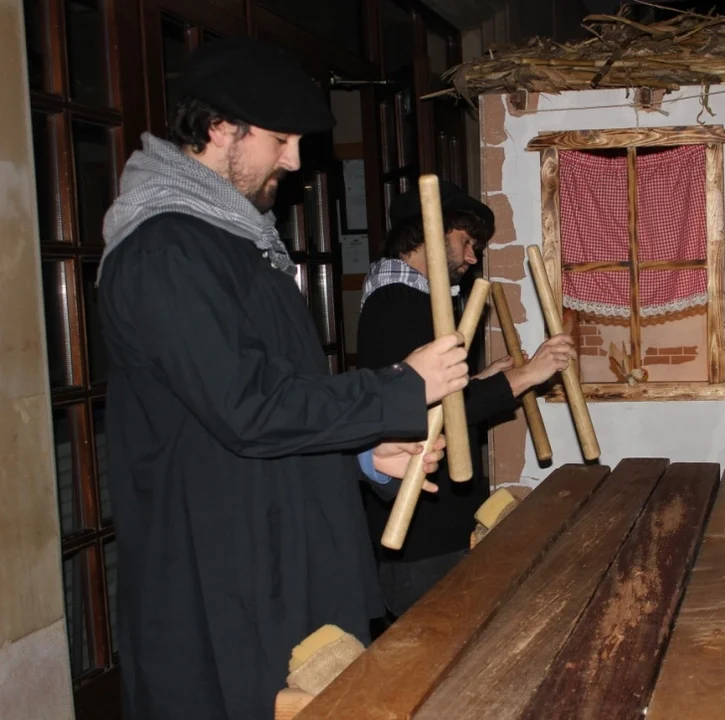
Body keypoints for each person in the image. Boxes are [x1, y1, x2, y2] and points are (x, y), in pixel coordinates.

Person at [97, 37, 469, 720]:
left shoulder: (236, 240)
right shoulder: (164, 250)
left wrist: (361, 454)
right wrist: (399, 386)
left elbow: (274, 398)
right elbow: (247, 409)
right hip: (220, 580)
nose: (295, 161)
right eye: (282, 140)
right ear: (219, 129)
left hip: (277, 562)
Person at [355, 180, 576, 619]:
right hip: (421, 536)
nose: (473, 257)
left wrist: (484, 378)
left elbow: (430, 396)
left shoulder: (409, 299)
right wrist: (527, 375)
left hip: (435, 528)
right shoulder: (398, 302)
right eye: (465, 242)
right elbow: (431, 410)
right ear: (429, 233)